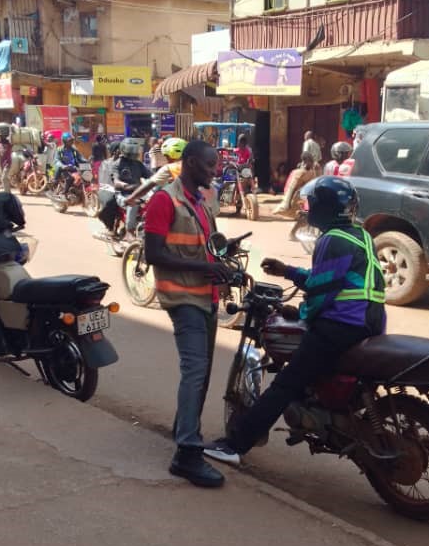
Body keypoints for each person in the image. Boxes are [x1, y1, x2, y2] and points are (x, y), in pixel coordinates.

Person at [205, 176, 386, 465]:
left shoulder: (331, 239)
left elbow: (321, 292)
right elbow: (330, 279)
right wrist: (287, 270)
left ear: (323, 208)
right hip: (370, 321)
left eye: (310, 203)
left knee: (285, 385)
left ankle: (235, 446)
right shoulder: (360, 235)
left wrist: (299, 313)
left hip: (341, 325)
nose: (306, 208)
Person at [143, 140, 233, 488]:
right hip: (183, 298)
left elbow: (206, 243)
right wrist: (204, 266)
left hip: (206, 297)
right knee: (195, 372)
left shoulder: (201, 199)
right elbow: (154, 253)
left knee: (202, 373)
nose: (215, 171)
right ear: (192, 163)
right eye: (210, 166)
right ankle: (187, 454)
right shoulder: (164, 200)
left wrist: (221, 257)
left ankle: (185, 430)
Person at [124, 137, 187, 203]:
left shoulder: (170, 167)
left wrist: (131, 198)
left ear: (171, 154)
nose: (166, 159)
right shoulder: (194, 163)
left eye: (166, 156)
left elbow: (149, 184)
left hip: (183, 203)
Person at [112, 138, 151, 239]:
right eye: (131, 150)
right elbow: (116, 181)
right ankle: (129, 231)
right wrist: (125, 185)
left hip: (138, 192)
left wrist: (163, 178)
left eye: (135, 150)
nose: (134, 153)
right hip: (123, 194)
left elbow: (150, 175)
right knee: (133, 203)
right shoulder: (117, 164)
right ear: (125, 150)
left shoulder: (138, 164)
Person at [272, 152, 316, 218]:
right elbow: (292, 188)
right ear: (305, 161)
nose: (312, 163)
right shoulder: (300, 172)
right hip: (295, 197)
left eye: (312, 161)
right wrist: (287, 203)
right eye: (311, 161)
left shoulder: (312, 172)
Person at [53, 132, 83, 197]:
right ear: (65, 141)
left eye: (72, 140)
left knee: (84, 177)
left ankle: (77, 191)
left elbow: (80, 158)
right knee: (70, 178)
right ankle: (64, 193)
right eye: (70, 141)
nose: (72, 142)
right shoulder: (59, 150)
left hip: (74, 168)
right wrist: (63, 166)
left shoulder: (74, 149)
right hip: (64, 170)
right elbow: (56, 160)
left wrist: (88, 161)